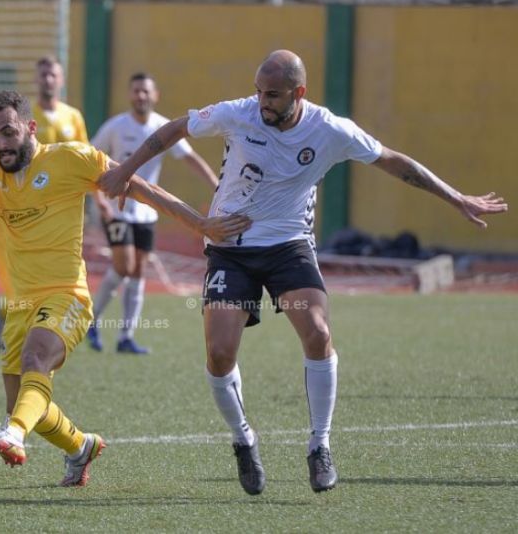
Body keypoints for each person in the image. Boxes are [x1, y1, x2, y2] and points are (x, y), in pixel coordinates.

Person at [100, 50, 508, 495]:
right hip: (230, 248)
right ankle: (243, 439)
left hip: (288, 248)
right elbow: (174, 129)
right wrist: (125, 169)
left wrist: (456, 198)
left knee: (316, 331)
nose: (261, 102)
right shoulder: (239, 113)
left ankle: (319, 445)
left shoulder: (330, 129)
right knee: (219, 352)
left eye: (272, 95)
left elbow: (395, 162)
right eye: (258, 92)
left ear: (300, 93)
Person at [0, 23, 249, 486]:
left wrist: (201, 225)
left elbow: (143, 189)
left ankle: (13, 434)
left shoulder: (71, 159)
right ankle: (80, 446)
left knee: (35, 364)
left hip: (67, 295)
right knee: (24, 397)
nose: (0, 144)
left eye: (7, 133)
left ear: (28, 127)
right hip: (20, 304)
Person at [87, 72, 219, 354]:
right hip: (116, 209)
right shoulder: (115, 126)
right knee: (123, 265)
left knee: (136, 271)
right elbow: (91, 160)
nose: (140, 96)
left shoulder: (162, 127)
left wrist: (216, 186)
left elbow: (190, 158)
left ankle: (125, 336)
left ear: (155, 95)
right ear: (129, 94)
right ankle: (92, 321)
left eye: (145, 91)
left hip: (147, 213)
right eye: (136, 91)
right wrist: (99, 201)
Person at [0, 55, 89, 352]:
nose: (47, 80)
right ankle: (12, 311)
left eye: (52, 74)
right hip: (22, 204)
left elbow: (85, 160)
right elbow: (1, 159)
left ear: (61, 79)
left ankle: (7, 311)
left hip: (59, 208)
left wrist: (102, 203)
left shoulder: (73, 117)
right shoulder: (22, 118)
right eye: (42, 74)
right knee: (26, 266)